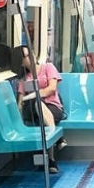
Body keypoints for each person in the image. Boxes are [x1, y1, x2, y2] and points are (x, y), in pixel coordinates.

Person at [11, 45, 67, 174]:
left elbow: (52, 88)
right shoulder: (25, 79)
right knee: (37, 105)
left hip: (53, 107)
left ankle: (48, 160)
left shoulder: (48, 67)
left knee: (41, 112)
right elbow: (21, 101)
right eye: (25, 56)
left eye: (29, 53)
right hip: (33, 111)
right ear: (21, 62)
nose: (29, 56)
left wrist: (35, 94)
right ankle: (57, 140)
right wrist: (19, 120)